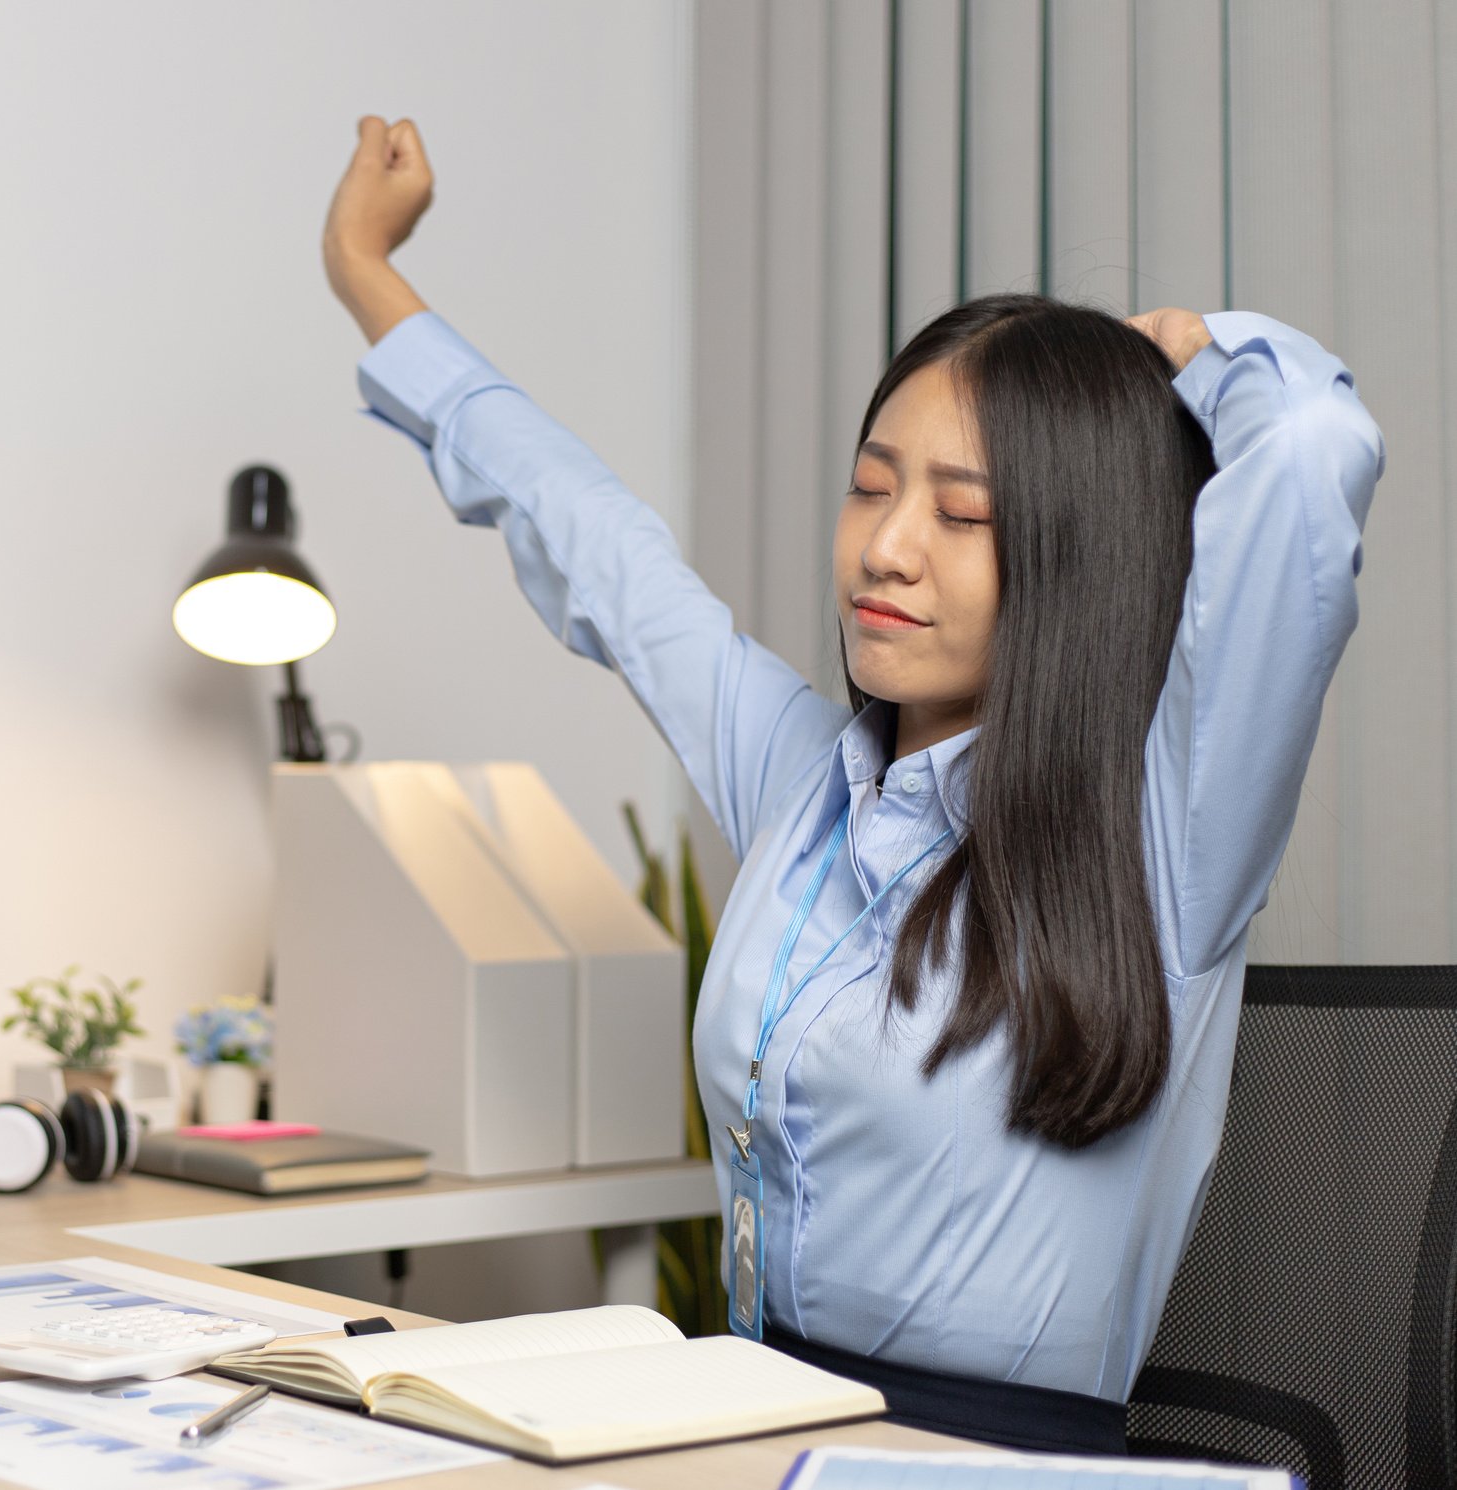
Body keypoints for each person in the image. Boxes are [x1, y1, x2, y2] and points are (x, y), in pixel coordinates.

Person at [320, 115, 1385, 1455]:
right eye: (869, 488)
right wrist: (368, 274)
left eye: (962, 514)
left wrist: (1189, 353)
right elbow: (603, 551)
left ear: (1077, 549)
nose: (885, 549)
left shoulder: (1170, 828)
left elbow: (1307, 454)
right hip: (749, 1436)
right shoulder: (806, 783)